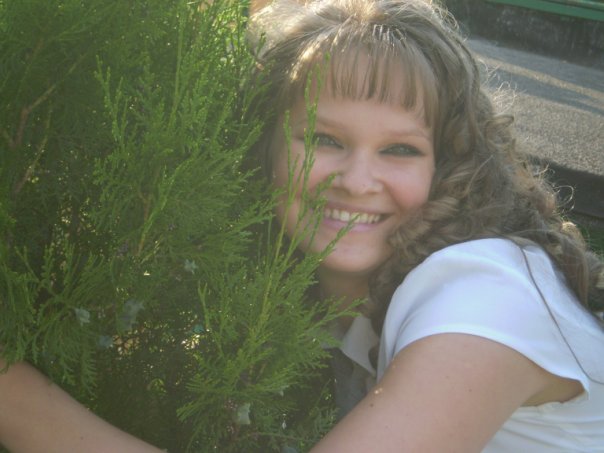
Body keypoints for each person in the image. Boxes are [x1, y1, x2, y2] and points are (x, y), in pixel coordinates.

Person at [1, 0, 603, 451]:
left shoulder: (484, 294)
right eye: (324, 139)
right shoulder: (317, 303)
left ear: (449, 168)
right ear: (263, 149)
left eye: (400, 150)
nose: (357, 181)